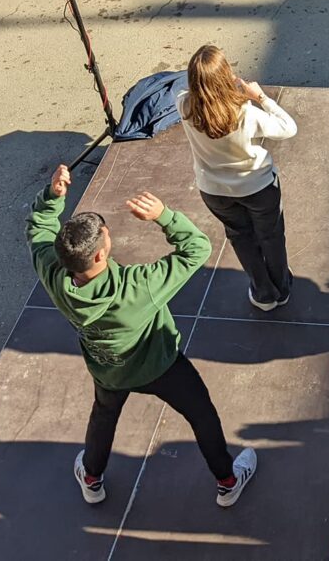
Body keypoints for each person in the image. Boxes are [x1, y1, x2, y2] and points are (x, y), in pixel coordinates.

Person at [28, 163, 258, 508]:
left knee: (104, 417)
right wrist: (164, 215)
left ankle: (91, 477)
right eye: (106, 234)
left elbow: (39, 231)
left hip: (109, 371)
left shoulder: (53, 274)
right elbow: (197, 248)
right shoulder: (138, 286)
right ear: (100, 253)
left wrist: (52, 198)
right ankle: (227, 480)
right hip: (161, 365)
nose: (108, 234)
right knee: (202, 414)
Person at [180, 44, 296, 309]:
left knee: (240, 237)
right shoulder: (245, 112)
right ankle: (282, 288)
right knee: (271, 236)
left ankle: (263, 293)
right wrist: (260, 97)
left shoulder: (184, 106)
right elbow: (288, 128)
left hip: (214, 191)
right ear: (226, 77)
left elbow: (196, 97)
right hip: (258, 187)